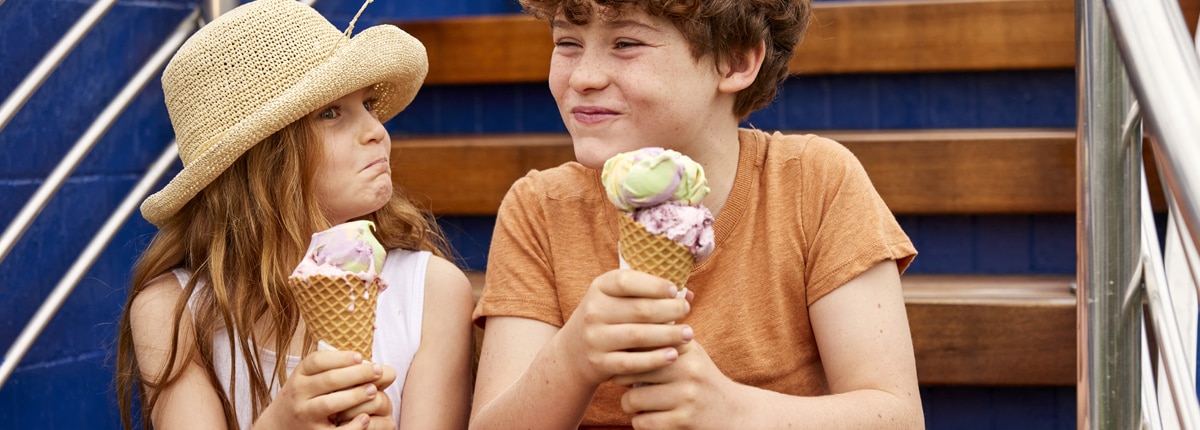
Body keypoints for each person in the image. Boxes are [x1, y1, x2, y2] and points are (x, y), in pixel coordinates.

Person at [470, 0, 924, 428]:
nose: (584, 76)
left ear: (735, 62)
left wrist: (734, 413)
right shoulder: (539, 208)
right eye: (567, 43)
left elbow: (897, 415)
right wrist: (570, 359)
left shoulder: (815, 182)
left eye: (626, 44)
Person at [114, 0, 474, 429]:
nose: (377, 131)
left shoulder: (432, 292)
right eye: (330, 113)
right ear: (262, 161)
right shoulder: (172, 311)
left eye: (369, 105)